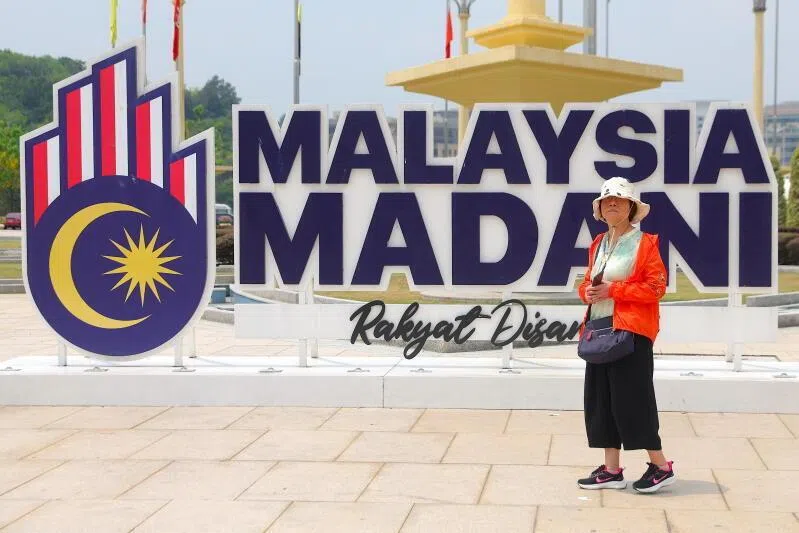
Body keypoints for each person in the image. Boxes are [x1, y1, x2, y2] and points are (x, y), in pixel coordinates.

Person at [576, 176, 675, 494]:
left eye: (620, 199)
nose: (613, 203)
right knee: (601, 402)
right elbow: (588, 283)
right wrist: (587, 292)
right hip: (600, 332)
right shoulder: (598, 243)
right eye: (607, 200)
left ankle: (661, 466)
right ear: (600, 210)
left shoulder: (646, 243)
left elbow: (657, 287)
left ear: (632, 207)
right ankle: (611, 469)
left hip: (631, 333)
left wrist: (614, 289)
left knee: (633, 401)